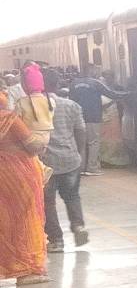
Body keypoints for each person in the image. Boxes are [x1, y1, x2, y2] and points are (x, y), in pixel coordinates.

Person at [0, 91, 50, 285]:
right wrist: (43, 139)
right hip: (18, 175)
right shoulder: (10, 119)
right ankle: (27, 269)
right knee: (25, 219)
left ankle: (7, 265)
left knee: (4, 220)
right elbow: (33, 145)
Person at [40, 70, 88, 252]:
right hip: (70, 159)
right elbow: (81, 131)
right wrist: (79, 154)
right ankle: (78, 226)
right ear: (58, 83)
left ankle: (56, 240)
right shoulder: (72, 105)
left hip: (45, 163)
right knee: (72, 196)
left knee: (48, 202)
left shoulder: (33, 107)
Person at [69, 64, 128, 176]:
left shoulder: (73, 84)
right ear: (91, 71)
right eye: (96, 71)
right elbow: (112, 94)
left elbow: (71, 99)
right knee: (93, 142)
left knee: (81, 143)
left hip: (77, 117)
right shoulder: (95, 83)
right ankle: (92, 168)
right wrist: (129, 93)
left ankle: (81, 168)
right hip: (93, 116)